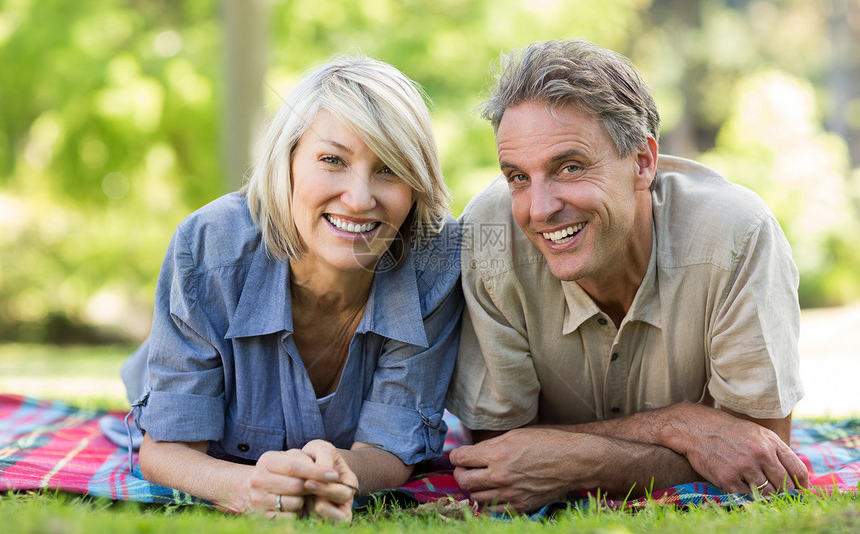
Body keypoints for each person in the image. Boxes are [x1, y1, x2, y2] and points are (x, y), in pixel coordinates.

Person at [445, 39, 809, 513]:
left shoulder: (737, 237)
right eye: (517, 177)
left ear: (643, 162)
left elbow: (759, 457)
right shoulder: (488, 238)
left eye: (570, 167)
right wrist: (679, 427)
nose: (539, 209)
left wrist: (570, 460)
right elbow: (498, 452)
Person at [120, 55, 463, 522]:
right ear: (287, 164)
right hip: (168, 363)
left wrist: (341, 473)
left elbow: (391, 448)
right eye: (332, 160)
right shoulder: (209, 246)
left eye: (389, 169)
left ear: (416, 187)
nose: (360, 199)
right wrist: (248, 487)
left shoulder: (437, 261)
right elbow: (165, 451)